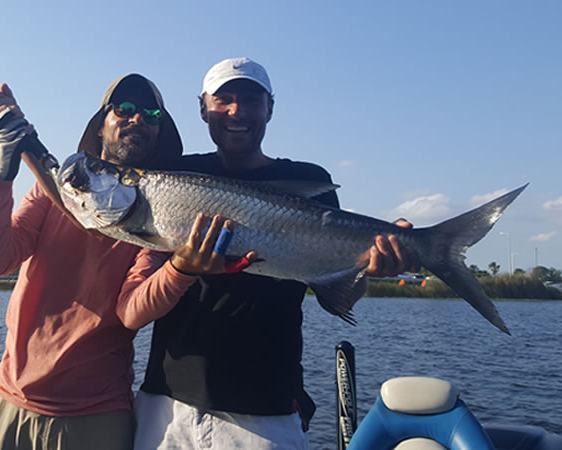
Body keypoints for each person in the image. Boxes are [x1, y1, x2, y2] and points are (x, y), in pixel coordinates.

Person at [132, 57, 420, 449]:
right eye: (224, 99)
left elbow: (337, 291)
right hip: (166, 404)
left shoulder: (308, 179)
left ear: (270, 108)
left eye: (251, 100)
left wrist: (373, 265)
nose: (237, 111)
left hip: (265, 411)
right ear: (203, 107)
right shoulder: (173, 178)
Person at [0, 74, 197, 450]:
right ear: (102, 123)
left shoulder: (157, 215)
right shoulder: (51, 191)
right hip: (8, 402)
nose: (136, 118)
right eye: (123, 109)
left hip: (96, 417)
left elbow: (131, 311)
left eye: (151, 114)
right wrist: (0, 172)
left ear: (159, 133)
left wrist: (181, 269)